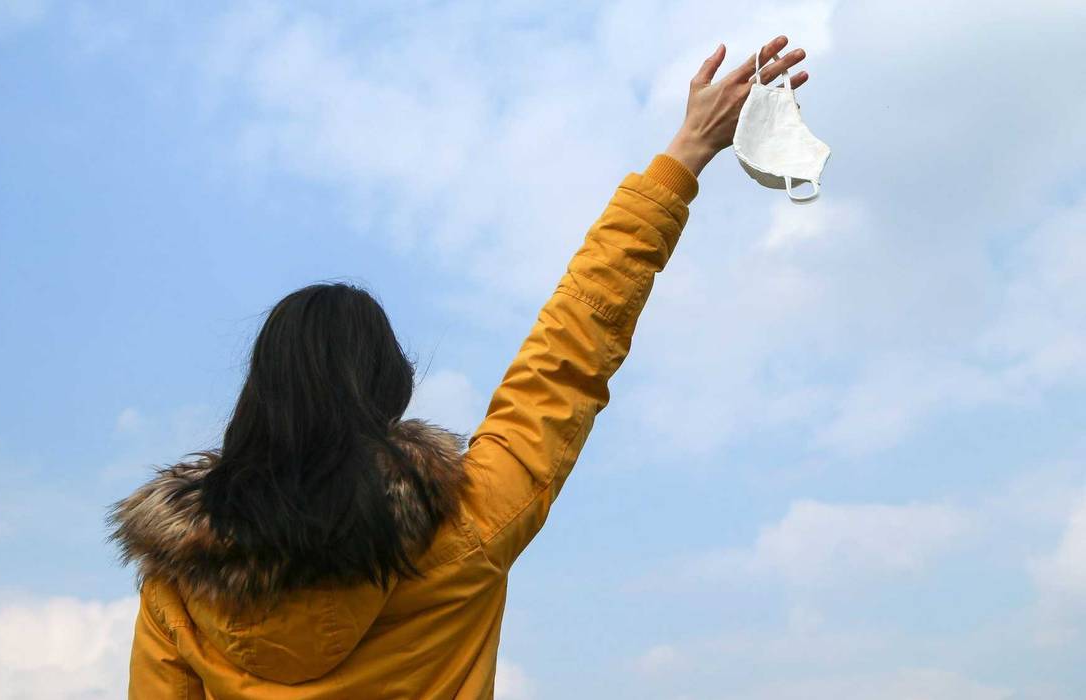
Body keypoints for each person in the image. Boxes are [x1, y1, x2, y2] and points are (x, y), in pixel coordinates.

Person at [109, 35, 810, 700]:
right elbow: (568, 351)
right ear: (388, 390)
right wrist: (683, 155)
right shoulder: (467, 520)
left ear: (258, 398)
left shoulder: (180, 582)